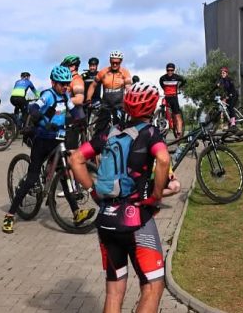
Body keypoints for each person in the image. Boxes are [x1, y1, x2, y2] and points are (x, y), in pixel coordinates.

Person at [68, 82, 170, 313]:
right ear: (152, 106)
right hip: (136, 220)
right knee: (153, 287)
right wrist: (155, 197)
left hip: (106, 220)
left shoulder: (110, 132)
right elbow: (163, 160)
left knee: (114, 291)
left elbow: (76, 159)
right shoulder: (150, 133)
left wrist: (94, 192)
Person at [2, 65, 90, 234]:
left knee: (64, 175)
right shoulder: (48, 95)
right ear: (53, 82)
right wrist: (44, 121)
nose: (65, 87)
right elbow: (33, 109)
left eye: (67, 83)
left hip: (58, 139)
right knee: (31, 179)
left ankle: (77, 213)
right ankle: (10, 215)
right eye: (62, 84)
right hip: (42, 140)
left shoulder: (65, 96)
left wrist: (81, 120)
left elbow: (74, 110)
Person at [86, 50, 132, 134]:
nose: (114, 64)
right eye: (113, 62)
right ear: (110, 61)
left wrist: (129, 103)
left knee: (119, 129)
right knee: (99, 130)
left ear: (121, 61)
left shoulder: (125, 73)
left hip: (119, 106)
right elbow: (93, 85)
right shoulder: (103, 72)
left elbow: (129, 89)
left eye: (117, 63)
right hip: (105, 106)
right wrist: (88, 99)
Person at [159, 63, 187, 137]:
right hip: (166, 97)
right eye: (168, 70)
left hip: (174, 98)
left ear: (174, 70)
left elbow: (184, 81)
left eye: (171, 70)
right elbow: (162, 85)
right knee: (163, 109)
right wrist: (166, 90)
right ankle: (164, 125)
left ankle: (179, 132)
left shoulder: (177, 77)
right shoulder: (162, 78)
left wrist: (179, 87)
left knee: (177, 115)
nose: (170, 72)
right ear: (166, 70)